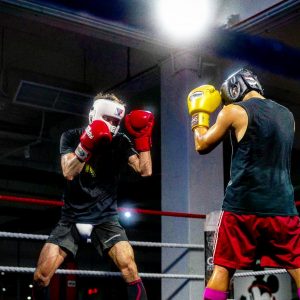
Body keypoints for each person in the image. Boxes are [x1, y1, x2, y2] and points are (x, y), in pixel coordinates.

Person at [186, 68, 300, 300]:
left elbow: (202, 145)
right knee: (297, 265)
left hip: (242, 206)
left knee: (223, 268)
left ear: (234, 90)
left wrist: (199, 116)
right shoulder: (288, 115)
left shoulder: (233, 110)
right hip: (282, 207)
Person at [32, 92, 154, 300]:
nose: (112, 124)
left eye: (116, 120)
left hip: (105, 218)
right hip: (72, 217)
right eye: (107, 119)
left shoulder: (120, 142)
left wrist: (143, 140)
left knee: (130, 269)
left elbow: (145, 170)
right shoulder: (71, 136)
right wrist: (86, 144)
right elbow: (69, 172)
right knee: (41, 277)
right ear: (94, 115)